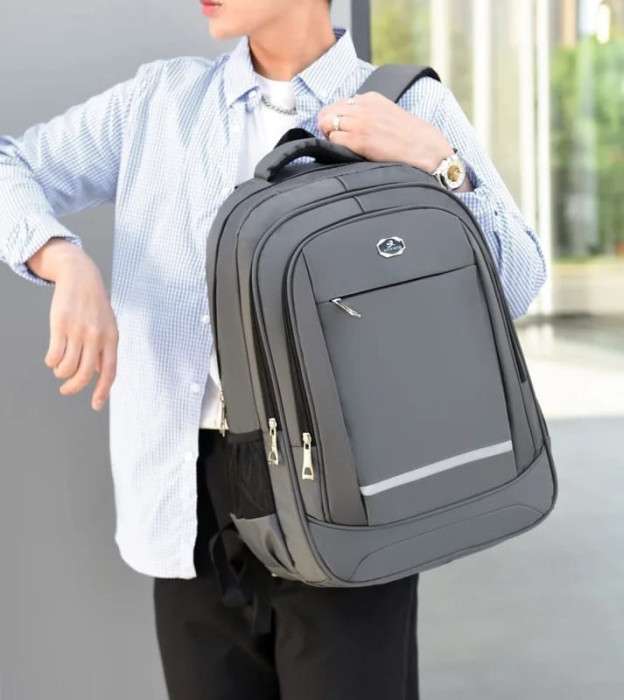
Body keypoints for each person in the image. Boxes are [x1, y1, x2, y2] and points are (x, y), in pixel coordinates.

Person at [0, 1, 547, 698]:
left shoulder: (405, 104)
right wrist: (62, 260)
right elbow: (9, 164)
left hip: (351, 488)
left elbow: (517, 281)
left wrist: (436, 161)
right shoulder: (159, 103)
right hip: (189, 498)